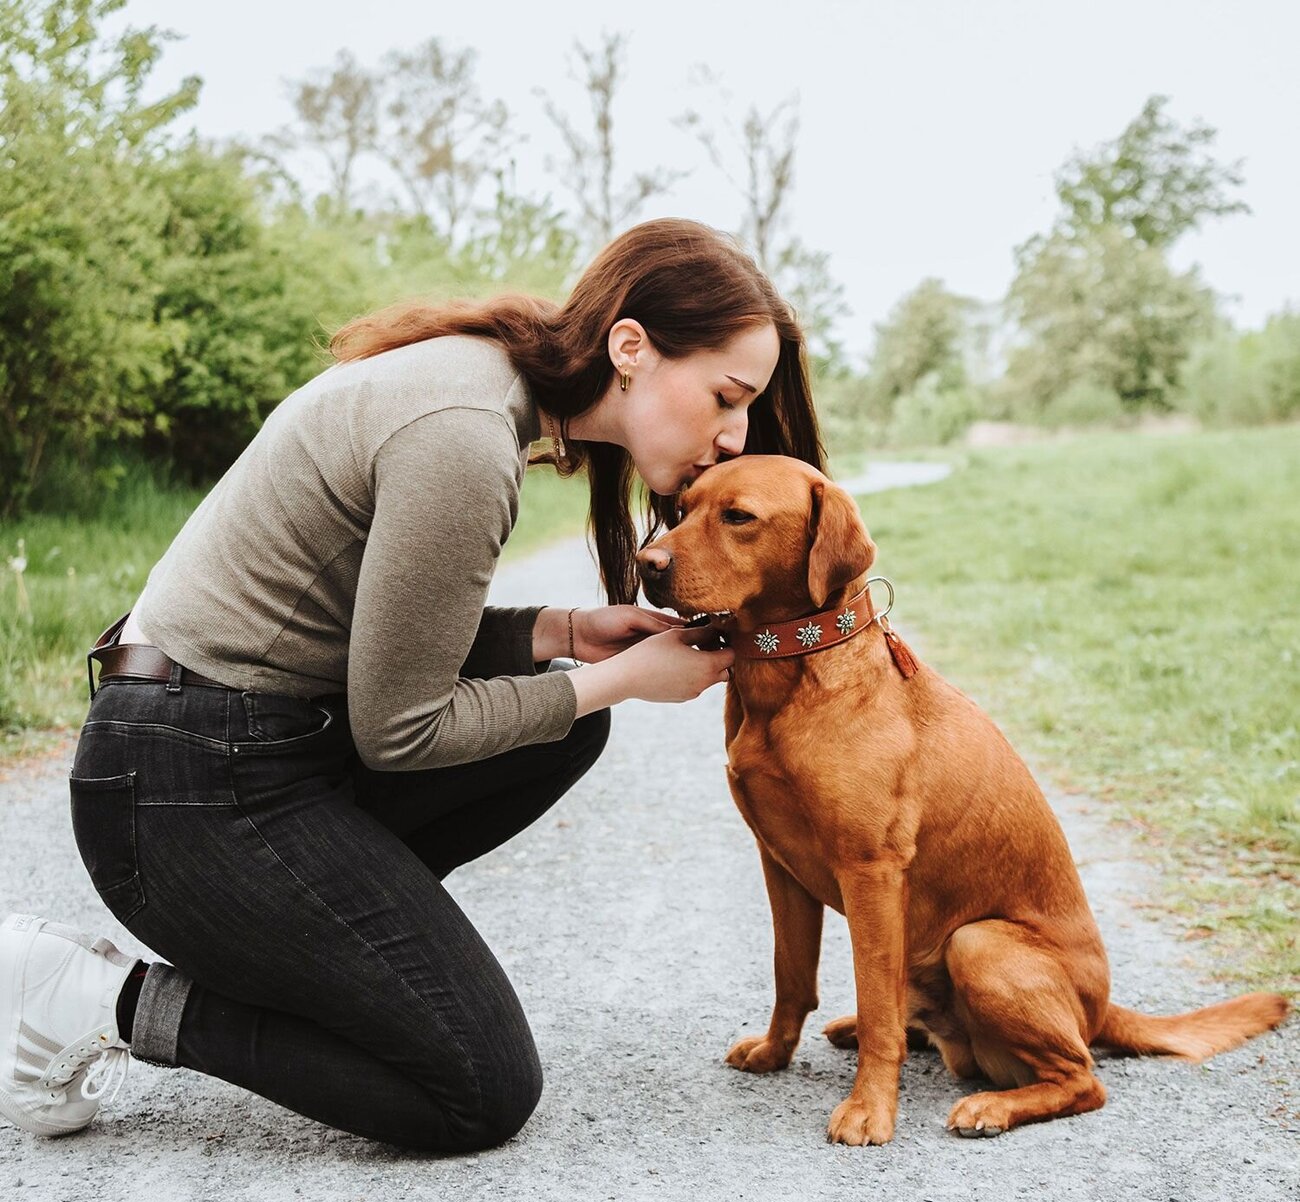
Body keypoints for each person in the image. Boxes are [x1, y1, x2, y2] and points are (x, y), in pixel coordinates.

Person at [0, 218, 825, 1152]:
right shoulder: (464, 437)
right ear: (630, 347)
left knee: (562, 726)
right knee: (477, 1087)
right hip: (180, 786)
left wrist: (562, 634)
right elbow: (401, 729)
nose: (735, 434)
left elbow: (388, 638)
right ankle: (105, 998)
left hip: (235, 738)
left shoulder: (484, 389)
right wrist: (628, 679)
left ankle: (319, 955)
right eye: (727, 395)